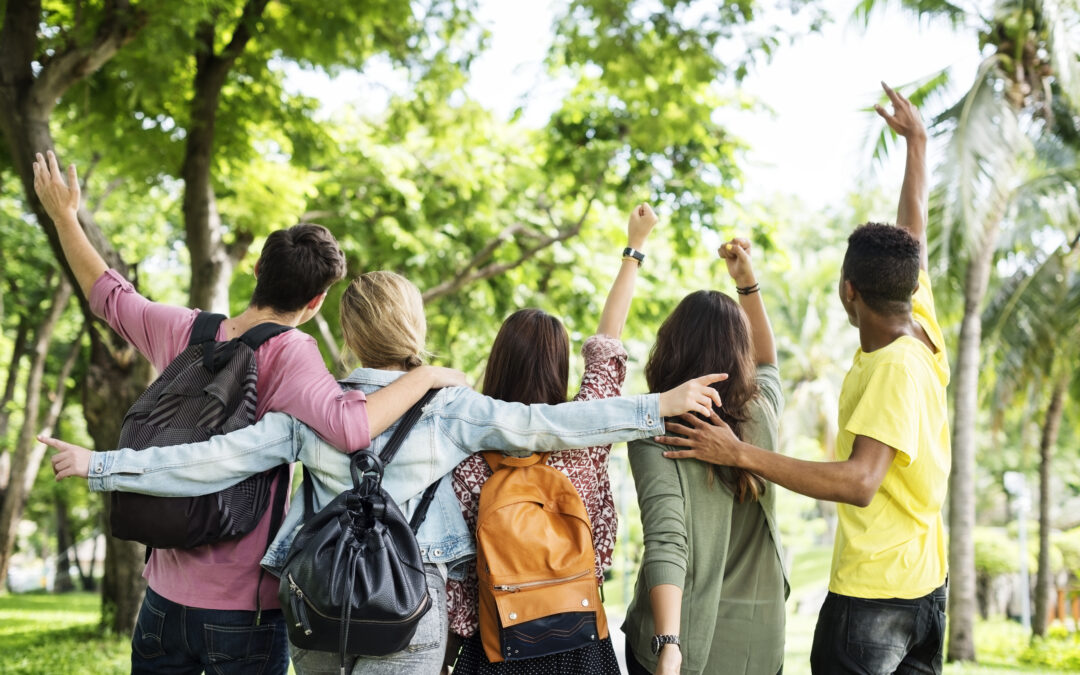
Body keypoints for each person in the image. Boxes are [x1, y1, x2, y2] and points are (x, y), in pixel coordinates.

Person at [43, 268, 726, 675]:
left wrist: (101, 464)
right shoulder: (452, 408)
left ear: (348, 333)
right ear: (414, 323)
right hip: (412, 611)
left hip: (317, 608)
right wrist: (656, 406)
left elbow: (210, 461)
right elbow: (551, 424)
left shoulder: (313, 409)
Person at [32, 151, 461, 675]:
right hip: (244, 610)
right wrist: (429, 375)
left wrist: (64, 218)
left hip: (162, 600)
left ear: (256, 269)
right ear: (317, 302)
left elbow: (108, 295)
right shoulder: (291, 353)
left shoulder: (183, 330)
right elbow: (352, 428)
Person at [656, 83, 950, 674]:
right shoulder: (920, 327)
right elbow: (911, 237)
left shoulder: (894, 366)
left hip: (875, 600)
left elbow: (861, 481)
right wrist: (918, 145)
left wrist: (740, 453)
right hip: (926, 588)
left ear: (849, 292)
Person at [447, 204, 659, 675]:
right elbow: (607, 345)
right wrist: (634, 247)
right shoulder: (584, 435)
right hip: (579, 640)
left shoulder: (462, 450)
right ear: (559, 367)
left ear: (497, 362)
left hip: (498, 645)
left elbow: (459, 579)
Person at [621, 237, 787, 675]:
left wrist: (668, 646)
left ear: (671, 346)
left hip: (684, 648)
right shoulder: (761, 412)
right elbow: (768, 361)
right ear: (739, 352)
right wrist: (747, 284)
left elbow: (666, 541)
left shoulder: (656, 428)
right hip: (758, 647)